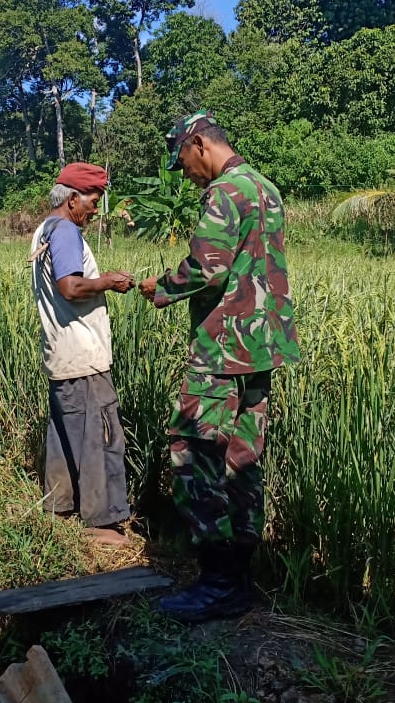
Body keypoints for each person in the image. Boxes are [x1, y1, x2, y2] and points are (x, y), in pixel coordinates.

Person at [138, 111, 300, 621]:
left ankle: (217, 583)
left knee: (193, 453)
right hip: (262, 347)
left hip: (224, 348)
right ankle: (240, 579)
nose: (184, 172)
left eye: (182, 160)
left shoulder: (225, 192)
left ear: (200, 144)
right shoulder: (265, 186)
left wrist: (159, 288)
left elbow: (210, 266)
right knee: (243, 459)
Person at [31, 162, 136, 545]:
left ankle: (60, 509)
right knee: (101, 435)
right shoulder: (65, 232)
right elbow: (70, 287)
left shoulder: (46, 230)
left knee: (67, 432)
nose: (95, 210)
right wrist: (108, 280)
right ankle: (100, 524)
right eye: (93, 201)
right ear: (73, 199)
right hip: (83, 354)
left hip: (62, 354)